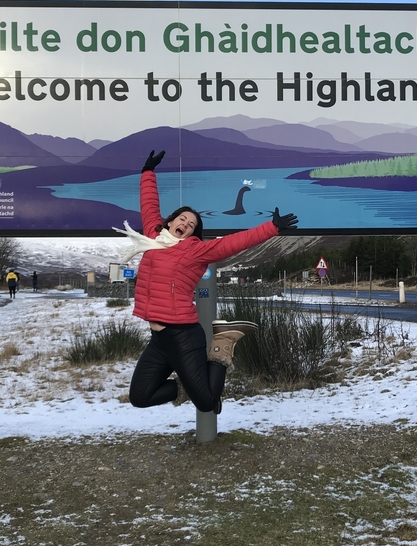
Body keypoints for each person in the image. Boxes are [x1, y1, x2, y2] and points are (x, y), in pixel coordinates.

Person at [122, 150, 298, 414]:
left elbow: (231, 243)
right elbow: (149, 205)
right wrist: (148, 172)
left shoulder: (194, 251)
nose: (185, 224)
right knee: (141, 396)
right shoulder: (153, 237)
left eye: (191, 225)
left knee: (207, 403)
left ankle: (223, 342)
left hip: (183, 335)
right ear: (170, 221)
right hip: (159, 340)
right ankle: (187, 388)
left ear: (192, 233)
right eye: (182, 219)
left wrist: (271, 228)